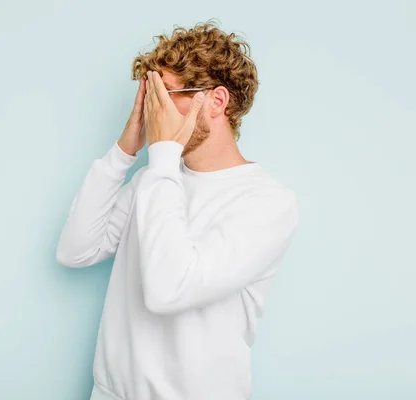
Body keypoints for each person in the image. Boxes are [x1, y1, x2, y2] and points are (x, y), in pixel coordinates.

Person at [56, 20, 298, 400]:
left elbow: (168, 289)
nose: (157, 111)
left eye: (168, 95)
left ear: (217, 101)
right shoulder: (153, 181)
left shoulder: (267, 203)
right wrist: (124, 153)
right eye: (152, 96)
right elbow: (75, 251)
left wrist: (163, 155)